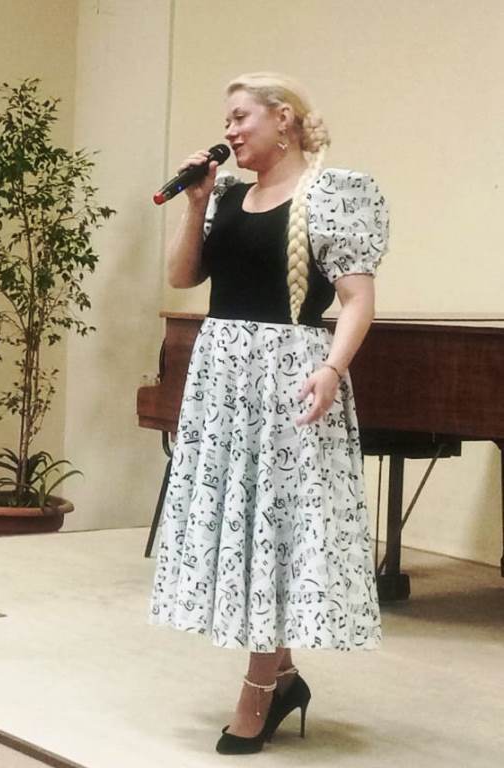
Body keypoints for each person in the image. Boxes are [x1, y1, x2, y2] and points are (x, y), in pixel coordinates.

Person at [147, 72, 388, 755]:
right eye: (227, 119)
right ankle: (281, 679)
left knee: (276, 530)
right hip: (224, 380)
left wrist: (331, 369)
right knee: (245, 527)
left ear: (283, 119)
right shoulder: (225, 195)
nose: (228, 131)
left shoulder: (333, 194)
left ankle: (256, 692)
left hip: (289, 380)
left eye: (239, 116)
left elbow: (359, 301)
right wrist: (195, 202)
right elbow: (182, 277)